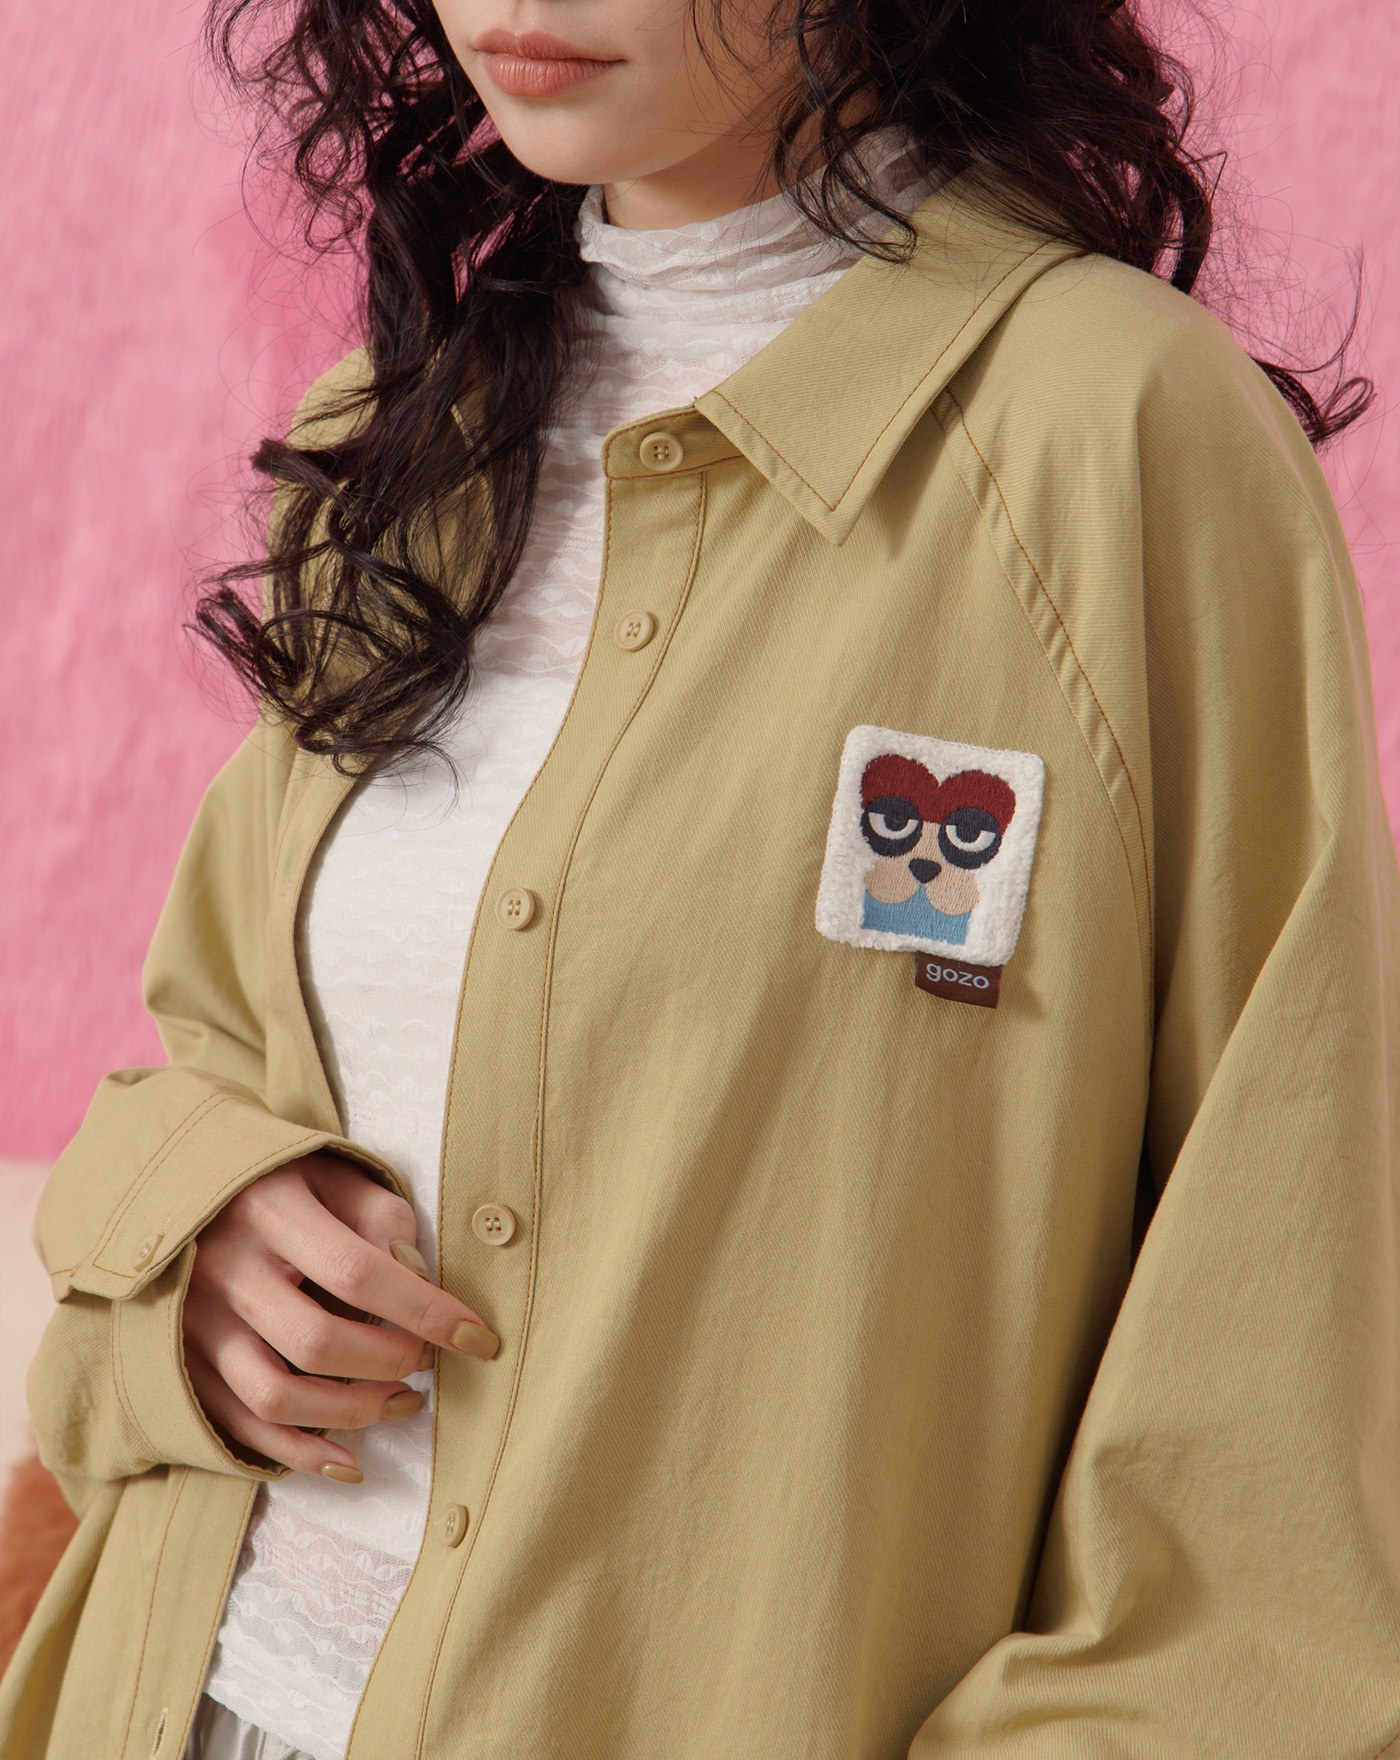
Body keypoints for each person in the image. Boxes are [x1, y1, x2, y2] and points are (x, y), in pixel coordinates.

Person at [2, 0, 1397, 1753]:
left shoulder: (1115, 441)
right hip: (187, 1694)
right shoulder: (397, 429)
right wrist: (199, 1259)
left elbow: (1263, 1400)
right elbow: (216, 1061)